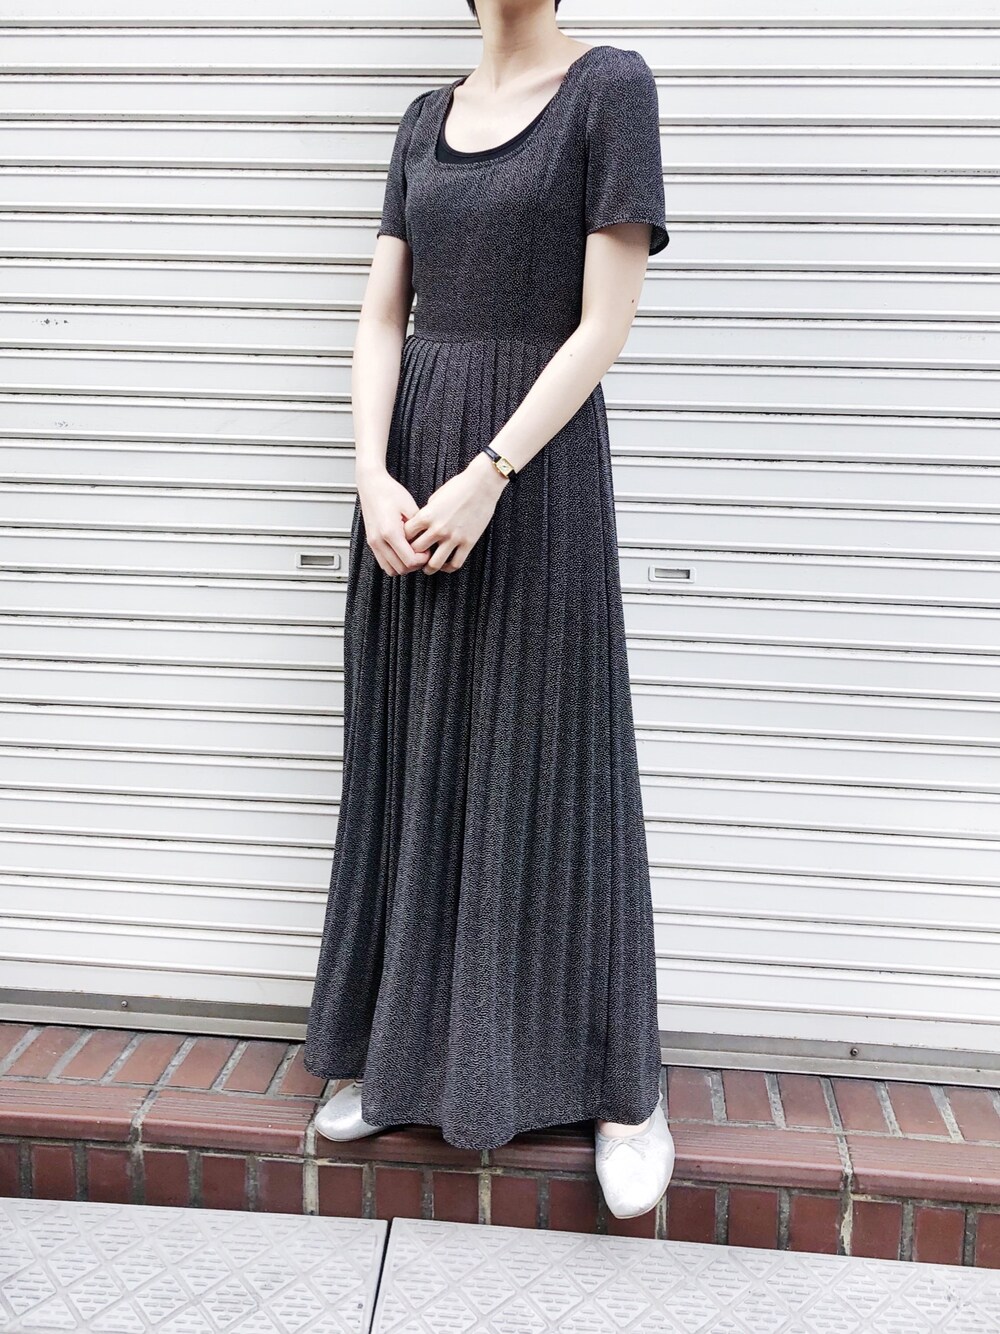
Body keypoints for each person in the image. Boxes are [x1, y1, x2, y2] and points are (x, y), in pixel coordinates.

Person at [302, 0, 674, 1220]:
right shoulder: (424, 119)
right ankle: (405, 1056)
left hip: (532, 472)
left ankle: (621, 1090)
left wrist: (491, 472)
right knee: (417, 762)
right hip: (411, 471)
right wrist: (372, 472)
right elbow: (382, 315)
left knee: (555, 763)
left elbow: (604, 323)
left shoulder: (608, 88)